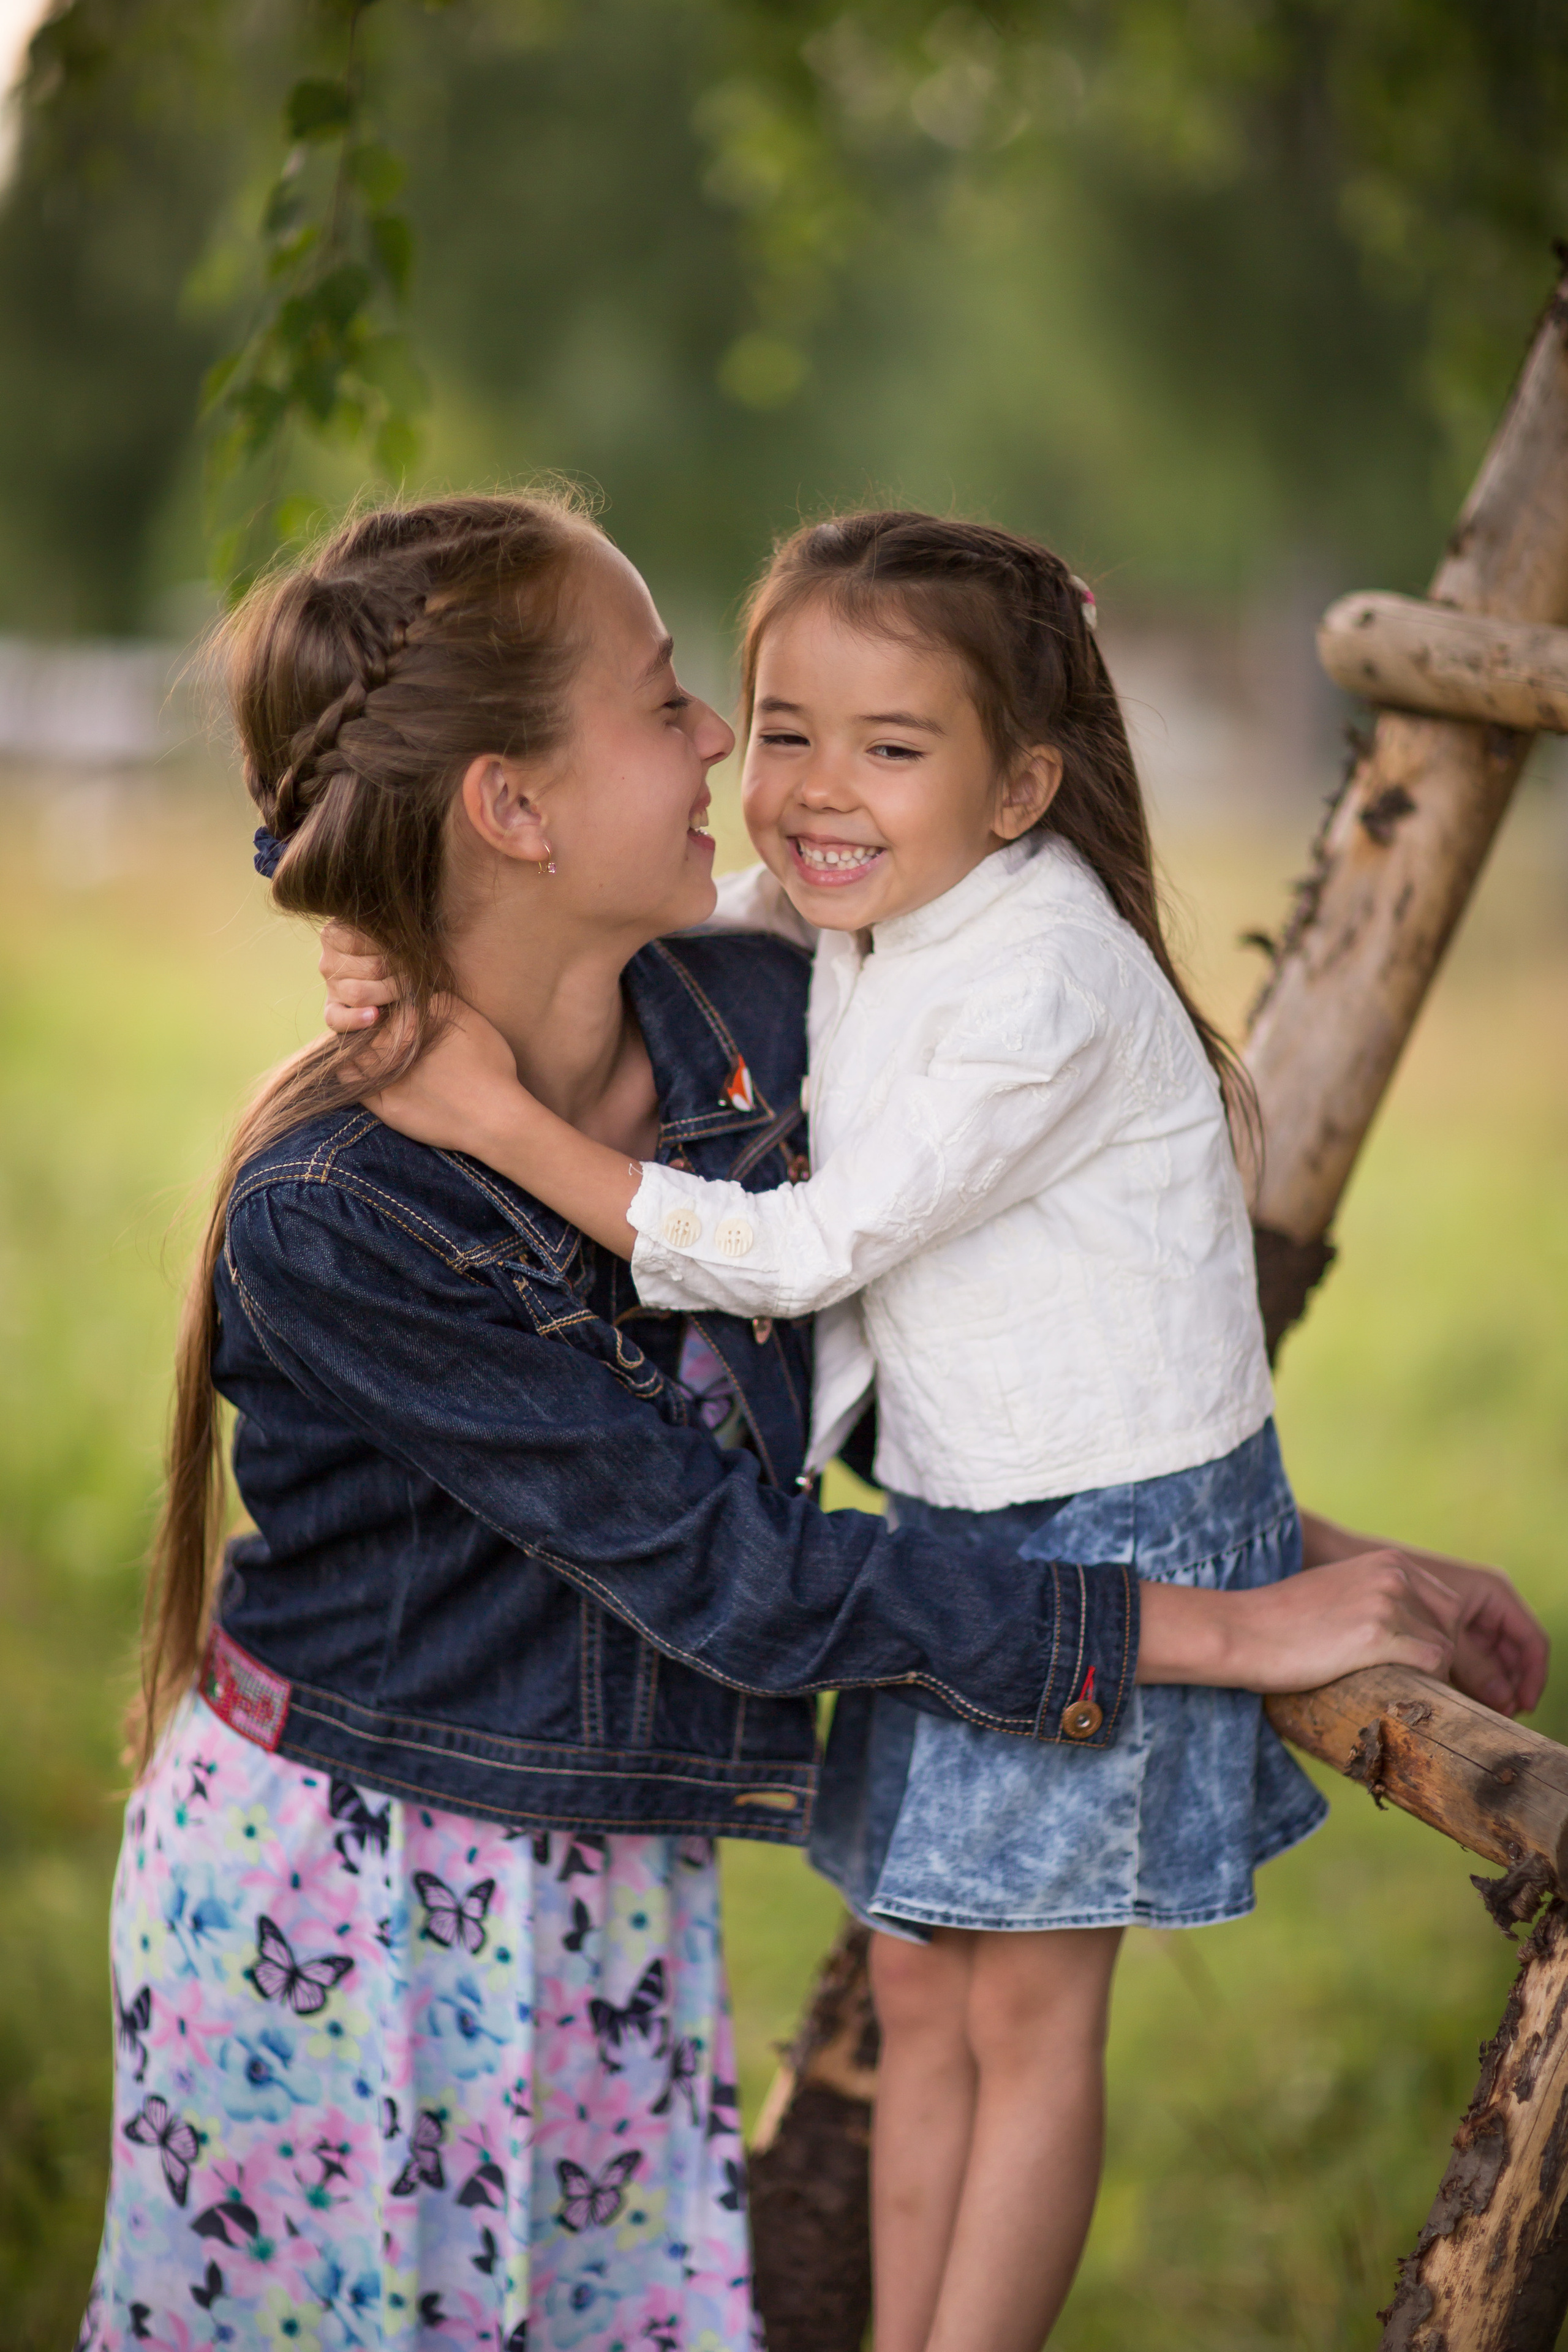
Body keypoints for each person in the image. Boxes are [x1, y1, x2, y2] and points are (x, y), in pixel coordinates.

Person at [322, 508, 1550, 2352]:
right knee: (917, 1993)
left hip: (1105, 1529)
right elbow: (689, 919)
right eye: (782, 729)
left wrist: (501, 1123)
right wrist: (392, 938)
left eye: (891, 747)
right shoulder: (873, 909)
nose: (815, 788)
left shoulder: (1038, 980)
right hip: (963, 1524)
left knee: (1028, 2016)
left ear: (1019, 788)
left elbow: (803, 1254)